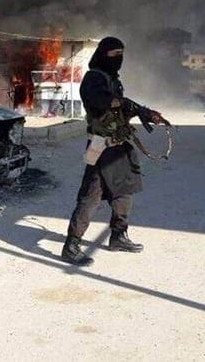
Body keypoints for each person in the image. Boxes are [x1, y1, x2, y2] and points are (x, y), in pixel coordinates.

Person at [60, 36, 164, 267]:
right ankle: (71, 246)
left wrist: (143, 112)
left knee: (124, 192)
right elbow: (100, 100)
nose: (119, 58)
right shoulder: (94, 78)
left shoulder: (112, 79)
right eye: (114, 54)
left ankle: (118, 236)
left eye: (121, 54)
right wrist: (124, 103)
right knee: (90, 197)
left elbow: (122, 107)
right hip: (101, 148)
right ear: (103, 54)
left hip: (120, 146)